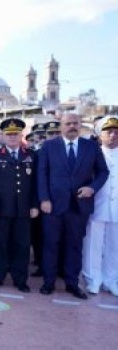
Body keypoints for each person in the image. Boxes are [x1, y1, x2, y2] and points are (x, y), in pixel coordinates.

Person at [38, 113, 109, 299]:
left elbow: (103, 172)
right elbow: (42, 174)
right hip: (53, 206)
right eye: (68, 123)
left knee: (74, 246)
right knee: (51, 245)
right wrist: (44, 199)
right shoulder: (48, 146)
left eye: (75, 123)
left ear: (80, 125)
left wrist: (92, 188)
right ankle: (49, 282)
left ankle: (72, 284)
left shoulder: (91, 146)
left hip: (79, 207)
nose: (72, 126)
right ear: (61, 126)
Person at [0, 119, 39, 293]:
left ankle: (20, 279)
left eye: (16, 134)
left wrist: (34, 205)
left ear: (21, 135)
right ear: (3, 136)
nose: (12, 137)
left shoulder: (31, 155)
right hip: (0, 209)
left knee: (22, 245)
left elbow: (37, 184)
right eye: (9, 134)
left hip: (23, 210)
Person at [83, 116, 118, 295]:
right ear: (100, 135)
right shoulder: (92, 154)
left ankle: (111, 279)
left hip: (117, 208)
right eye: (108, 131)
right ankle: (93, 279)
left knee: (114, 245)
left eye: (116, 132)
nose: (113, 135)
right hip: (97, 205)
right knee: (93, 244)